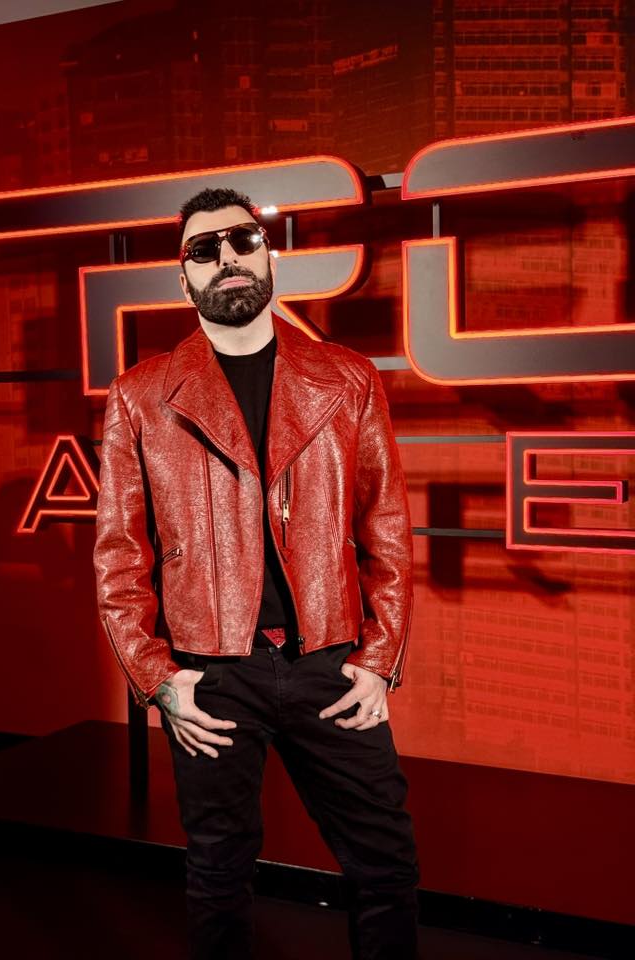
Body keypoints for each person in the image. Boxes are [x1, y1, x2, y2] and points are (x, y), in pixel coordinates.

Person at [93, 187, 420, 960]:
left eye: (241, 240)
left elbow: (386, 528)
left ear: (268, 255)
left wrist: (379, 659)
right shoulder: (140, 396)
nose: (227, 258)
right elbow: (119, 558)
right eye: (203, 250)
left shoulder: (347, 378)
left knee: (386, 864)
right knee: (219, 872)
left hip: (330, 663)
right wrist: (159, 680)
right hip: (209, 674)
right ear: (184, 279)